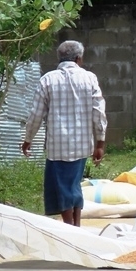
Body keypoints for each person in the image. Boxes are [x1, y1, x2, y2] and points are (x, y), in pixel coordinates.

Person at [22, 40, 107, 226]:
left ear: (59, 58)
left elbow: (36, 114)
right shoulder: (90, 78)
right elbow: (99, 112)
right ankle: (75, 225)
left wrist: (28, 139)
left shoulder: (48, 79)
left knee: (63, 188)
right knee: (74, 186)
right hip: (83, 145)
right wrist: (100, 143)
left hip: (57, 146)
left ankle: (70, 227)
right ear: (79, 58)